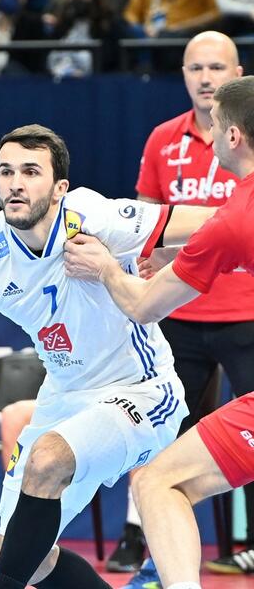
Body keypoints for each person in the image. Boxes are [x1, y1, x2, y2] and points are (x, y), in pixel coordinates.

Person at [0, 123, 221, 589]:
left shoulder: (95, 217)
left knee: (46, 459)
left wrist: (166, 255)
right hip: (64, 395)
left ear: (60, 188)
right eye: (6, 172)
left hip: (141, 389)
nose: (15, 184)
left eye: (31, 172)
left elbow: (213, 222)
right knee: (21, 554)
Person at [63, 75, 254, 589]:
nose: (209, 136)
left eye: (215, 126)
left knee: (157, 480)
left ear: (233, 136)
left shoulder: (234, 217)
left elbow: (143, 305)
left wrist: (106, 267)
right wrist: (188, 256)